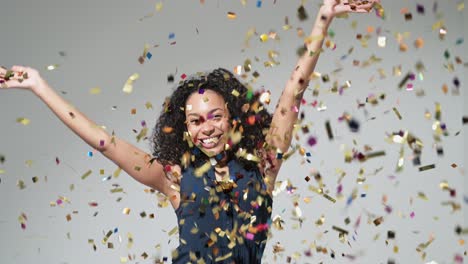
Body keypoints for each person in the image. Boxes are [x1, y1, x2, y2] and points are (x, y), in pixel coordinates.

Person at [0, 0, 381, 263]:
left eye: (215, 116)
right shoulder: (174, 178)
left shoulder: (264, 166)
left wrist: (324, 17)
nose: (207, 129)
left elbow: (293, 92)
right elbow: (103, 142)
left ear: (232, 119)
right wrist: (39, 86)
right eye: (196, 121)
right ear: (184, 129)